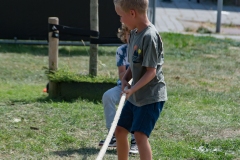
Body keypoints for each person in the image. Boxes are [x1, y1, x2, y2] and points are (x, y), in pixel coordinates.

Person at [113, 0, 168, 159]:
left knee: (140, 136)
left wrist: (131, 89)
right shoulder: (135, 33)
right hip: (135, 95)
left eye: (121, 16)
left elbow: (151, 72)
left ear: (132, 13)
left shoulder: (149, 36)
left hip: (150, 97)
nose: (121, 21)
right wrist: (126, 78)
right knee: (120, 130)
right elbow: (135, 62)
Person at [98, 23, 139, 154]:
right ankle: (114, 135)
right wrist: (124, 87)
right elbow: (122, 74)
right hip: (123, 86)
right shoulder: (121, 51)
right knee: (108, 96)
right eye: (129, 34)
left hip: (139, 88)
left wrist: (133, 89)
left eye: (135, 34)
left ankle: (135, 141)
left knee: (133, 104)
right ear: (124, 35)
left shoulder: (141, 50)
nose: (131, 37)